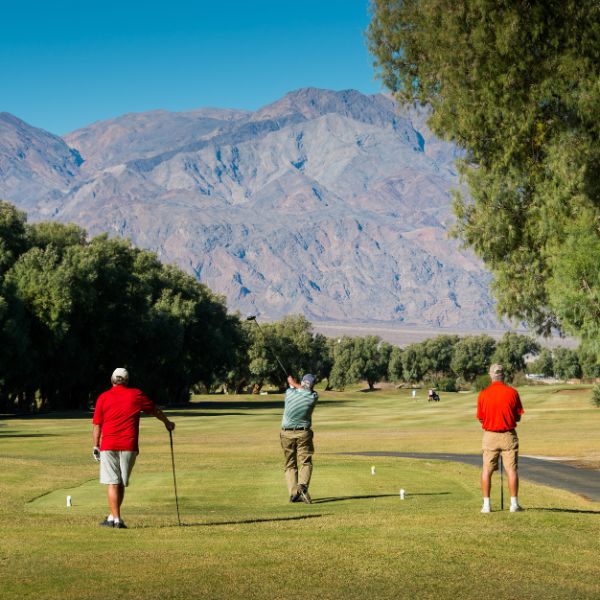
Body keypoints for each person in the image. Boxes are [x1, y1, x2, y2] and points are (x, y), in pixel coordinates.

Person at [92, 367, 175, 528]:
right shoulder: (136, 394)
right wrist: (167, 423)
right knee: (120, 483)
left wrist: (95, 445)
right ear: (127, 381)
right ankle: (114, 518)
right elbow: (155, 410)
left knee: (114, 483)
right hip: (129, 446)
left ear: (112, 380)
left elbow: (97, 424)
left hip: (108, 445)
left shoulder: (103, 397)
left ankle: (116, 519)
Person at [476, 363, 524, 513]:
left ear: (491, 375)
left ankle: (486, 506)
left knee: (487, 470)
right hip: (508, 435)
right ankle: (514, 505)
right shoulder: (513, 392)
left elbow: (481, 418)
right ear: (503, 375)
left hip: (490, 436)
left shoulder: (483, 394)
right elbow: (518, 417)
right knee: (511, 470)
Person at [280, 373, 318, 504]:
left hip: (286, 433)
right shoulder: (313, 397)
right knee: (306, 461)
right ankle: (301, 486)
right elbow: (303, 390)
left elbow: (295, 388)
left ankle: (294, 493)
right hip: (304, 434)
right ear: (312, 386)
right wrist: (294, 383)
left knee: (290, 464)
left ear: (302, 383)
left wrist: (291, 382)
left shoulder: (290, 393)